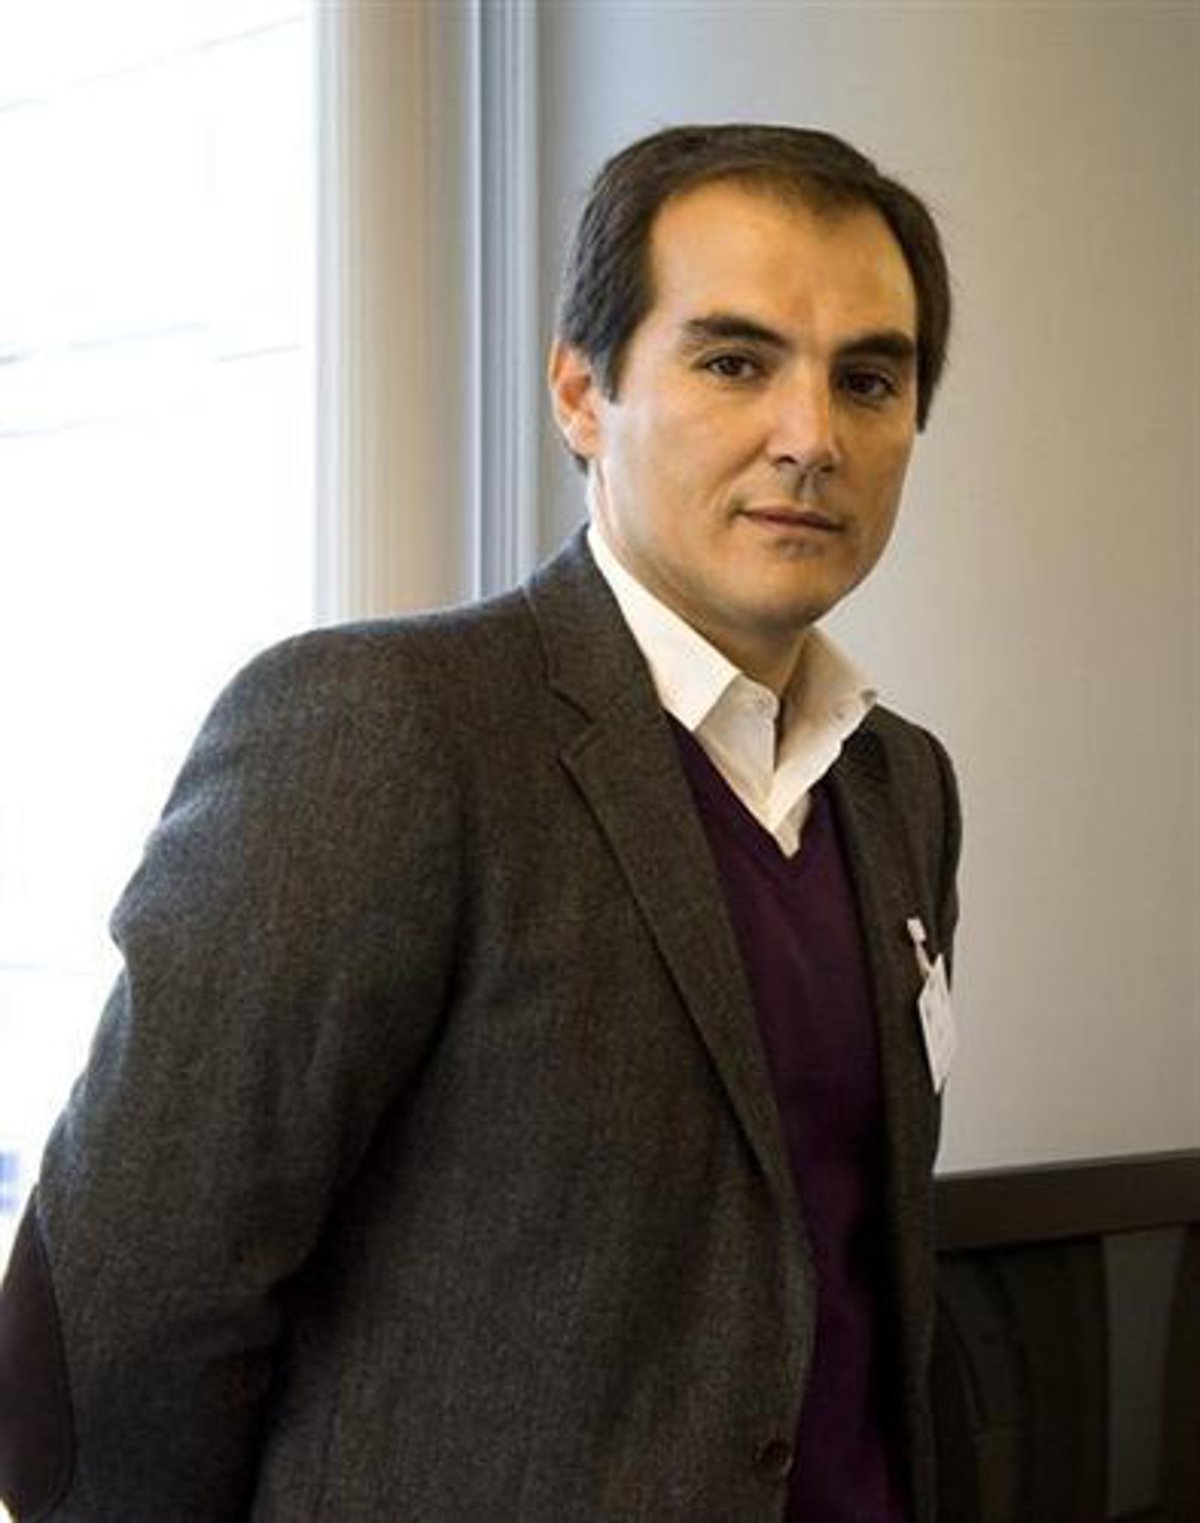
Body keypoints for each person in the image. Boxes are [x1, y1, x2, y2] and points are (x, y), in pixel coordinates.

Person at [0, 123, 960, 1522]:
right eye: (733, 362)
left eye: (867, 379)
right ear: (581, 393)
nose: (811, 437)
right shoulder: (385, 729)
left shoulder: (900, 786)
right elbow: (108, 1334)